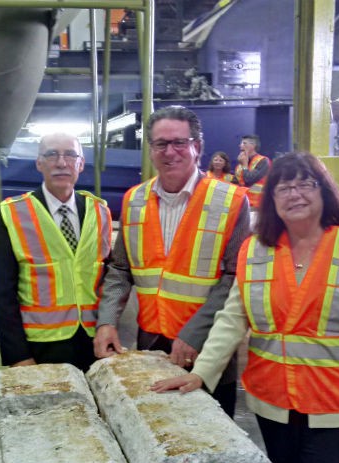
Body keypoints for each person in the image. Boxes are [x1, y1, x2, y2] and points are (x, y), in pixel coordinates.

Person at [152, 152, 339, 463]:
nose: (294, 194)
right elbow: (233, 318)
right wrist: (201, 373)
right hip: (273, 403)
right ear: (271, 200)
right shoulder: (256, 250)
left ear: (324, 192)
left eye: (305, 184)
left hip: (336, 409)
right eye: (283, 187)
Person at [94, 106, 251, 417]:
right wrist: (107, 321)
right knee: (159, 431)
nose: (170, 152)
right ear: (151, 149)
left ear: (198, 147)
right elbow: (120, 269)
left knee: (211, 440)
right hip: (150, 343)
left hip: (208, 348)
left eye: (180, 142)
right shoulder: (134, 200)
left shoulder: (231, 201)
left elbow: (235, 276)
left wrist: (195, 333)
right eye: (160, 144)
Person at [0, 133, 112, 372]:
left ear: (81, 163)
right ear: (39, 163)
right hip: (41, 346)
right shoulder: (12, 214)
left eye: (70, 154)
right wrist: (18, 355)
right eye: (52, 154)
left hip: (94, 340)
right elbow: (3, 293)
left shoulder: (100, 211)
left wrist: (109, 327)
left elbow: (109, 278)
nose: (61, 162)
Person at [233, 134, 271, 216]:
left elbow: (249, 180)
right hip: (242, 207)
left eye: (244, 143)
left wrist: (244, 166)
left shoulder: (263, 161)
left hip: (257, 208)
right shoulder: (240, 165)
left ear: (253, 146)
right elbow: (235, 185)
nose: (240, 146)